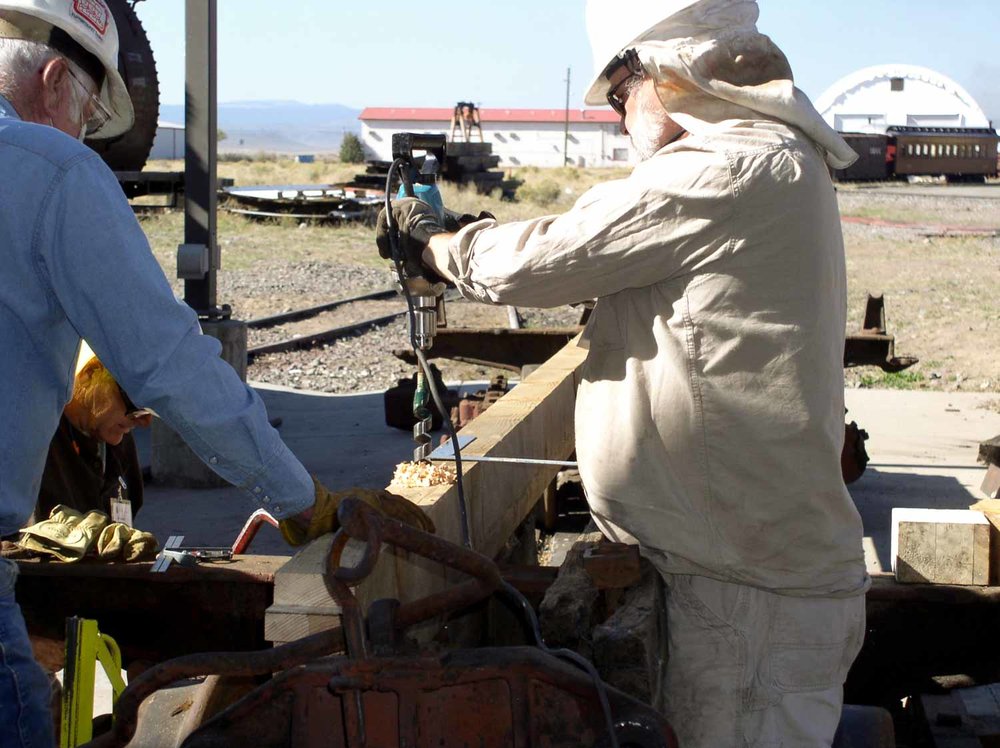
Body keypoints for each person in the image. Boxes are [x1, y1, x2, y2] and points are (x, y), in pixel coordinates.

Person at [378, 0, 869, 745]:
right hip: (731, 577)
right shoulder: (763, 160)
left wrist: (436, 246)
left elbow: (545, 257)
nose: (616, 114)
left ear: (667, 69)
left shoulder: (732, 166)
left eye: (618, 93)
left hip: (745, 601)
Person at [0, 2, 428, 746]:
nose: (83, 138)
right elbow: (169, 364)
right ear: (54, 77)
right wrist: (303, 500)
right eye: (88, 115)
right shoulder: (47, 170)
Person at [32, 350, 151, 525]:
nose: (144, 420)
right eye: (134, 402)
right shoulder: (38, 437)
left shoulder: (120, 440)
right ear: (89, 374)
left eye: (151, 407)